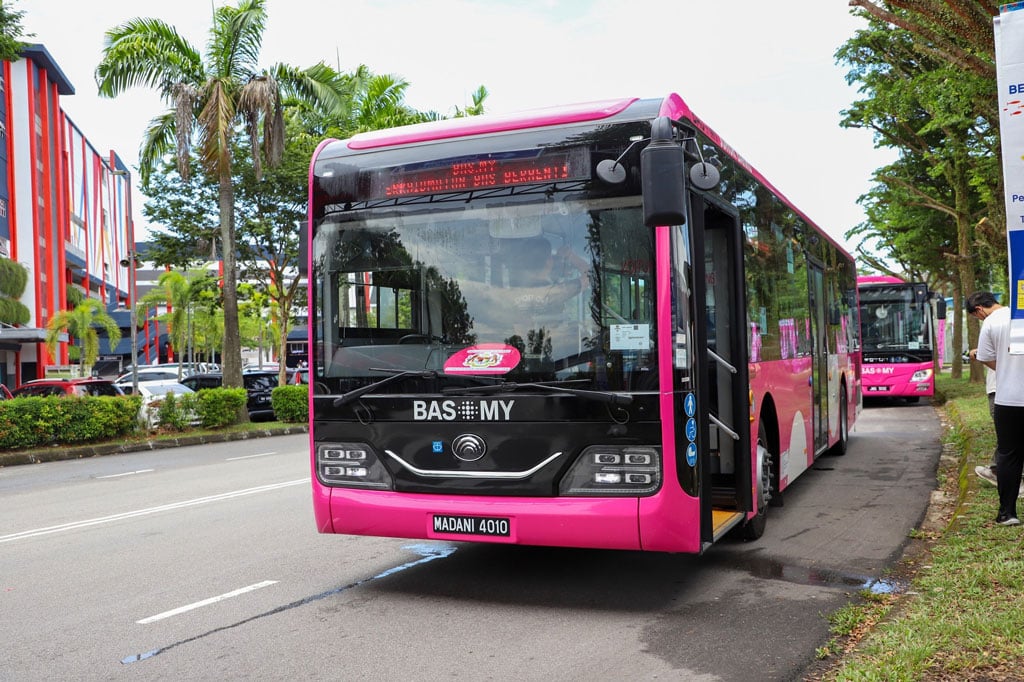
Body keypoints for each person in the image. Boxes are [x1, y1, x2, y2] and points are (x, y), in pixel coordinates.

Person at [969, 290, 1024, 526]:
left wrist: (1006, 367)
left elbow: (985, 357)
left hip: (1009, 398)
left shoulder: (992, 322)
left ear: (979, 309)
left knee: (1009, 455)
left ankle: (1007, 513)